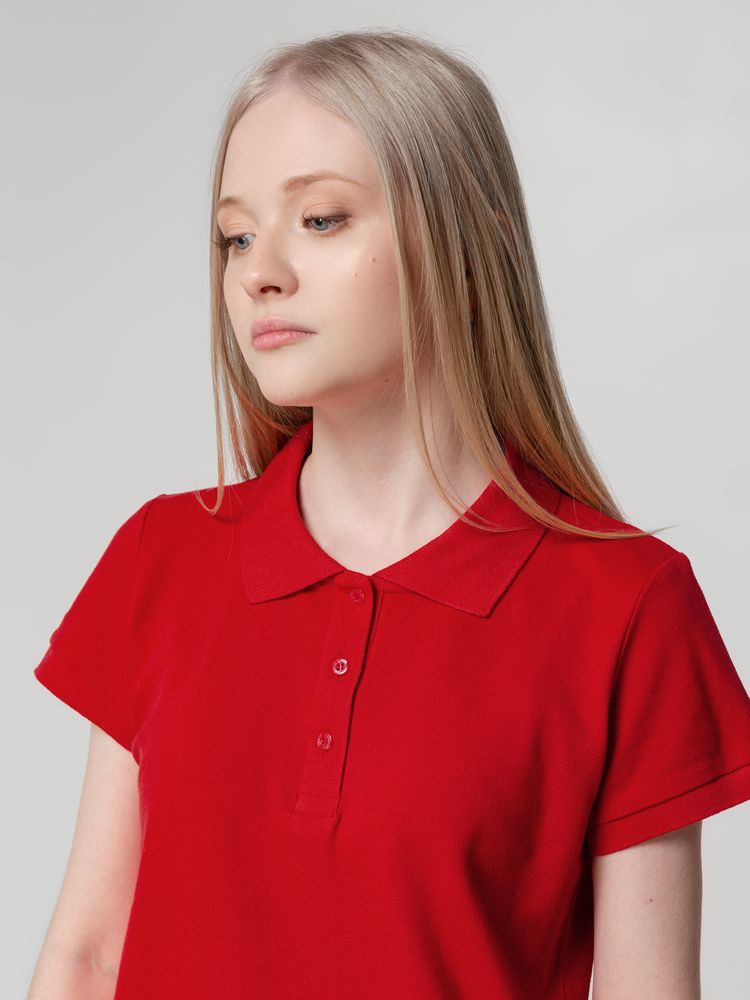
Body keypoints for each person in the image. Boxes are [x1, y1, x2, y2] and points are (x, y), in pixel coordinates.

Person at [29, 27, 750, 1000]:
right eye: (235, 235)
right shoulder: (163, 556)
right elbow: (88, 958)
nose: (258, 271)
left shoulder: (629, 605)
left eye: (321, 218)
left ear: (465, 244)